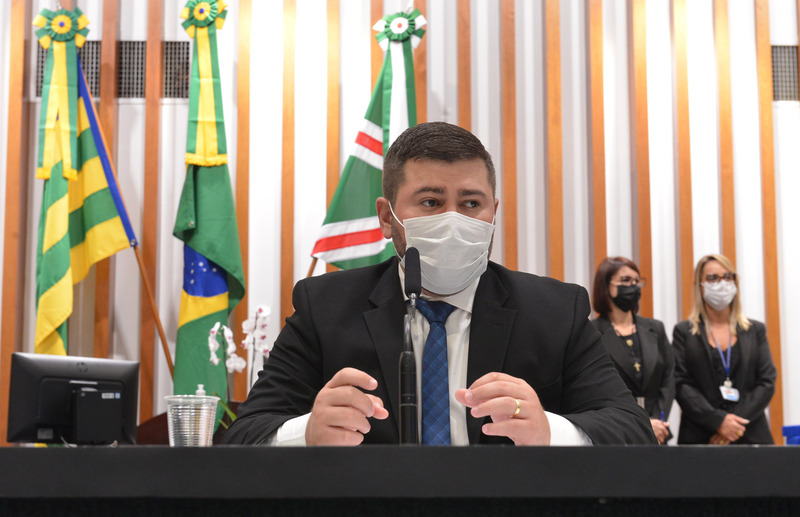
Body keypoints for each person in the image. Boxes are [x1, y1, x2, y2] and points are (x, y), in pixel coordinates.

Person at [224, 121, 655, 446]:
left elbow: (632, 430)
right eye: (431, 202)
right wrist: (307, 431)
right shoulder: (326, 306)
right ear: (386, 216)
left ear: (494, 212)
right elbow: (245, 435)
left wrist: (550, 430)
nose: (453, 219)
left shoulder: (555, 310)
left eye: (471, 203)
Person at [673, 254, 776, 445]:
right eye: (713, 278)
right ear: (699, 285)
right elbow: (680, 383)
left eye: (728, 277)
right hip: (701, 435)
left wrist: (732, 425)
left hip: (750, 433)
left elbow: (766, 381)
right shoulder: (684, 332)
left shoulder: (755, 330)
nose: (722, 283)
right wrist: (718, 421)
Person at [590, 257, 674, 444]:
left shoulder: (655, 328)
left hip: (658, 434)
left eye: (637, 281)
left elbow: (668, 379)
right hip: (616, 434)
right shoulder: (592, 332)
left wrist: (657, 421)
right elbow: (599, 387)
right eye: (625, 280)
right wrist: (641, 425)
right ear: (606, 286)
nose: (633, 286)